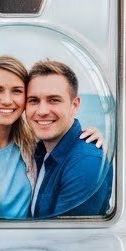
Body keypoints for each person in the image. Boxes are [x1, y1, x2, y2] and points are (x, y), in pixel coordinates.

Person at [0, 55, 103, 219]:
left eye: (16, 91)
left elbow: (67, 141)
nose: (7, 100)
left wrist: (91, 140)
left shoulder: (33, 143)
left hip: (31, 244)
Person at [26, 60, 113, 219]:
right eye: (33, 100)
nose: (42, 111)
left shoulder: (86, 163)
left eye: (54, 100)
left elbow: (67, 240)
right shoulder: (37, 151)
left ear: (74, 105)